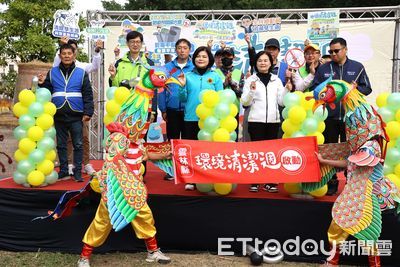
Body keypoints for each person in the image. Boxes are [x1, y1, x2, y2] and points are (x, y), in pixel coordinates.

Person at [77, 123, 171, 267]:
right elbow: (112, 157)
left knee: (145, 218)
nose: (141, 127)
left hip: (134, 193)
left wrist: (166, 154)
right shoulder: (119, 139)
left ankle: (153, 252)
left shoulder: (139, 145)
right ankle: (84, 257)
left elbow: (147, 155)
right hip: (115, 192)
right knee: (101, 223)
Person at [310, 37, 372, 196]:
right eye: (330, 51)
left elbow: (367, 89)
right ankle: (331, 183)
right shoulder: (324, 69)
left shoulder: (357, 67)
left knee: (351, 151)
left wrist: (355, 90)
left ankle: (350, 181)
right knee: (329, 150)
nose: (333, 54)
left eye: (336, 51)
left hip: (350, 119)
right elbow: (315, 89)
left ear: (345, 50)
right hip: (328, 118)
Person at [38, 43, 94, 182]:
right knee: (61, 144)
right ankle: (63, 171)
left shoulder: (82, 73)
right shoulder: (52, 72)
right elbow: (47, 90)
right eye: (64, 54)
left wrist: (88, 112)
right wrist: (41, 83)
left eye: (69, 54)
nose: (67, 56)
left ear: (74, 55)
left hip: (76, 114)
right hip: (58, 113)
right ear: (60, 56)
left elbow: (88, 94)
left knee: (78, 144)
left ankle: (77, 172)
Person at [241, 51, 292, 193]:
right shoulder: (251, 79)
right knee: (257, 151)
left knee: (271, 152)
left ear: (271, 63)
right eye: (260, 61)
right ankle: (256, 180)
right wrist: (251, 92)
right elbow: (244, 103)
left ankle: (270, 181)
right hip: (255, 120)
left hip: (273, 121)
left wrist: (287, 90)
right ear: (256, 63)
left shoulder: (276, 80)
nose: (263, 63)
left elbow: (281, 101)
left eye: (266, 60)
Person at [53, 36, 103, 176]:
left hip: (79, 110)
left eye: (72, 50)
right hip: (62, 110)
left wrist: (97, 52)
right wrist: (60, 45)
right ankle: (69, 165)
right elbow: (55, 64)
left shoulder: (81, 66)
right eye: (66, 51)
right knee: (65, 140)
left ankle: (85, 164)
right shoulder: (58, 66)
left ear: (75, 52)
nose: (68, 54)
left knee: (83, 139)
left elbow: (95, 66)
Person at [178, 46, 224, 190]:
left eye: (204, 56)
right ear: (194, 59)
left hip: (210, 121)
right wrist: (181, 86)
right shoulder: (188, 76)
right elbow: (182, 98)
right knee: (192, 150)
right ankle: (191, 180)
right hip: (191, 118)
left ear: (209, 59)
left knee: (207, 151)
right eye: (198, 56)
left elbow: (220, 99)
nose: (201, 59)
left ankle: (207, 178)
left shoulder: (215, 76)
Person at [158, 38, 194, 180]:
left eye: (185, 48)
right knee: (172, 141)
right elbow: (161, 90)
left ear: (189, 50)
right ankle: (171, 169)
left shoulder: (193, 67)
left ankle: (187, 169)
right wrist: (163, 109)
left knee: (187, 141)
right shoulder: (167, 68)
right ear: (175, 50)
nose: (182, 50)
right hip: (171, 109)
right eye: (179, 47)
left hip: (189, 111)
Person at [215, 47, 244, 140]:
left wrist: (231, 82)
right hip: (218, 111)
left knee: (232, 137)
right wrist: (225, 83)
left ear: (233, 57)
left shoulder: (239, 73)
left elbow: (241, 93)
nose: (226, 57)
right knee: (218, 137)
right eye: (224, 55)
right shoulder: (215, 73)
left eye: (228, 55)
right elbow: (214, 92)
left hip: (233, 111)